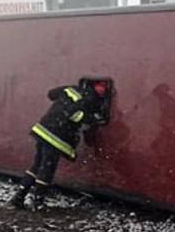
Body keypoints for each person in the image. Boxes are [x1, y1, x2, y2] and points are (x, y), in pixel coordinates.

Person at [10, 82, 107, 210]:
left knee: (37, 165)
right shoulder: (90, 99)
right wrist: (93, 119)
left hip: (43, 130)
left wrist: (65, 98)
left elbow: (52, 94)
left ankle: (19, 196)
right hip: (56, 136)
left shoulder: (72, 89)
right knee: (47, 169)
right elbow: (75, 115)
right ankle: (38, 202)